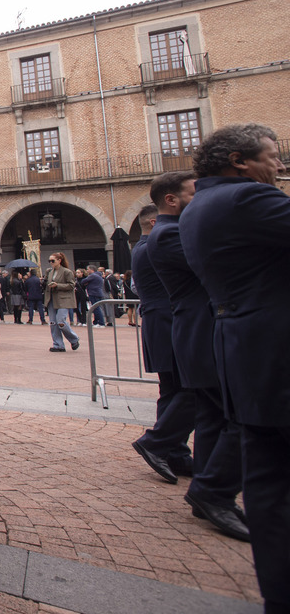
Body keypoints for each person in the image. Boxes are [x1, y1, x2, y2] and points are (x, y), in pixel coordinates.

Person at [178, 123, 289, 611]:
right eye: (273, 155)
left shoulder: (204, 203)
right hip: (273, 348)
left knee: (267, 474)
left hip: (247, 345)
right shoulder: (245, 200)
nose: (281, 165)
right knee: (272, 479)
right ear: (240, 161)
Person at [147, 170, 247, 542]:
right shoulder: (171, 233)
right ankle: (209, 487)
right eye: (193, 191)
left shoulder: (175, 229)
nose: (200, 196)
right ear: (171, 199)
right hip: (198, 329)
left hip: (199, 328)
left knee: (213, 415)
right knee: (226, 413)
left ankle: (208, 487)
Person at [129, 202, 194, 482]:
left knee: (173, 388)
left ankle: (175, 451)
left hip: (162, 321)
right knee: (189, 388)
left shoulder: (144, 247)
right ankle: (160, 443)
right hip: (168, 321)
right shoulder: (154, 246)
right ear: (154, 223)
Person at [43, 253, 79, 352]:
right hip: (51, 299)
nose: (51, 263)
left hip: (64, 299)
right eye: (49, 261)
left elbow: (71, 285)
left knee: (61, 321)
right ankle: (58, 344)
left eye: (53, 261)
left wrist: (57, 285)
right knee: (53, 323)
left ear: (59, 260)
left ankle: (74, 339)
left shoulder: (67, 272)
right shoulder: (49, 271)